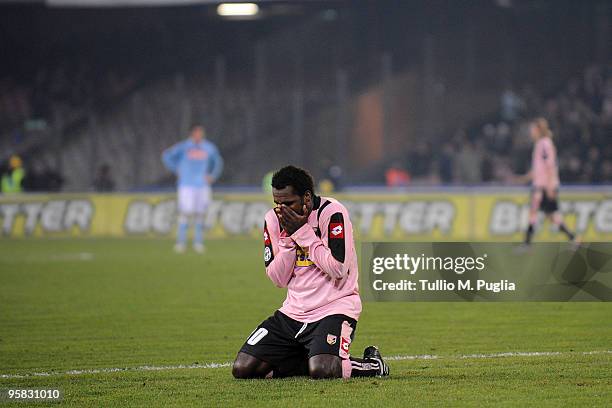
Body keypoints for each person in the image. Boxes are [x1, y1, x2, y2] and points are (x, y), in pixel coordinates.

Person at [232, 165, 389, 380]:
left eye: (288, 203)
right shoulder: (274, 220)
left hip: (335, 308)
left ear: (306, 197)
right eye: (277, 203)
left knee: (323, 370)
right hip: (293, 312)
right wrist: (288, 238)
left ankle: (372, 365)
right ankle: (312, 355)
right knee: (244, 369)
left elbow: (338, 268)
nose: (281, 210)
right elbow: (278, 279)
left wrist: (303, 233)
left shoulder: (331, 212)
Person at [162, 124, 223, 253]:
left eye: (200, 133)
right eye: (196, 132)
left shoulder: (208, 147)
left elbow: (218, 162)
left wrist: (212, 176)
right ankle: (181, 242)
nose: (198, 135)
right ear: (191, 134)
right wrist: (176, 169)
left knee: (200, 213)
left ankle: (198, 242)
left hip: (202, 185)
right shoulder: (184, 146)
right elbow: (166, 156)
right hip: (186, 185)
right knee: (185, 212)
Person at [518, 118, 576, 245]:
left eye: (532, 129)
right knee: (551, 216)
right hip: (541, 185)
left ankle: (526, 243)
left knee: (535, 211)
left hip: (544, 186)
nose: (531, 132)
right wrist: (525, 178)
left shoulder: (544, 144)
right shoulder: (540, 144)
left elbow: (550, 165)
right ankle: (573, 238)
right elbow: (539, 169)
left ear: (538, 130)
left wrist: (550, 186)